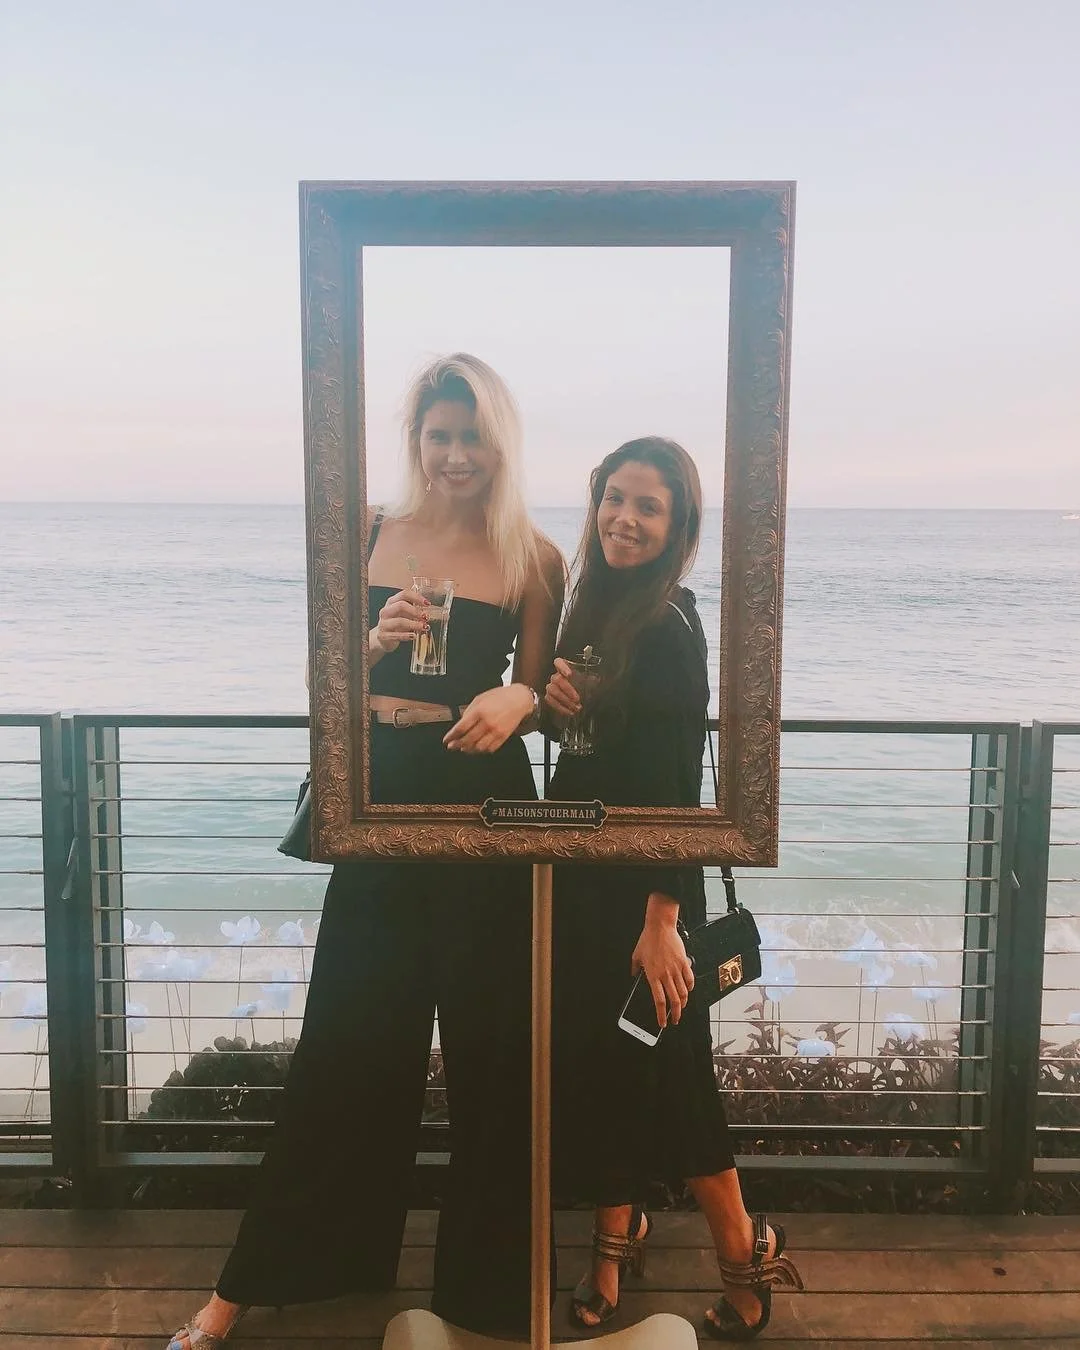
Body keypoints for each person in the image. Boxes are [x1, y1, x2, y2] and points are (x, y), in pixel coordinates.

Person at [168, 353, 564, 1348]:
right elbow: (323, 679)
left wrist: (520, 695)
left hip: (483, 806)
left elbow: (543, 695)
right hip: (379, 797)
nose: (456, 455)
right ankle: (254, 1285)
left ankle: (490, 1302)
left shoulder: (535, 557)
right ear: (416, 440)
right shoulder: (368, 530)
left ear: (501, 447)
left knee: (494, 1054)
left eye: (473, 438)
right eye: (440, 436)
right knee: (348, 1041)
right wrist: (377, 641)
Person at [545, 437, 802, 1341]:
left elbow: (675, 787)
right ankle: (616, 1241)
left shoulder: (668, 626)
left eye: (648, 507)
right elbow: (590, 751)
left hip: (647, 891)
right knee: (610, 1061)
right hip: (580, 881)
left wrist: (661, 920)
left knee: (675, 1070)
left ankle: (743, 1246)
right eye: (614, 497)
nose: (625, 518)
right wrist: (552, 709)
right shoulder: (592, 605)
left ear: (678, 526)